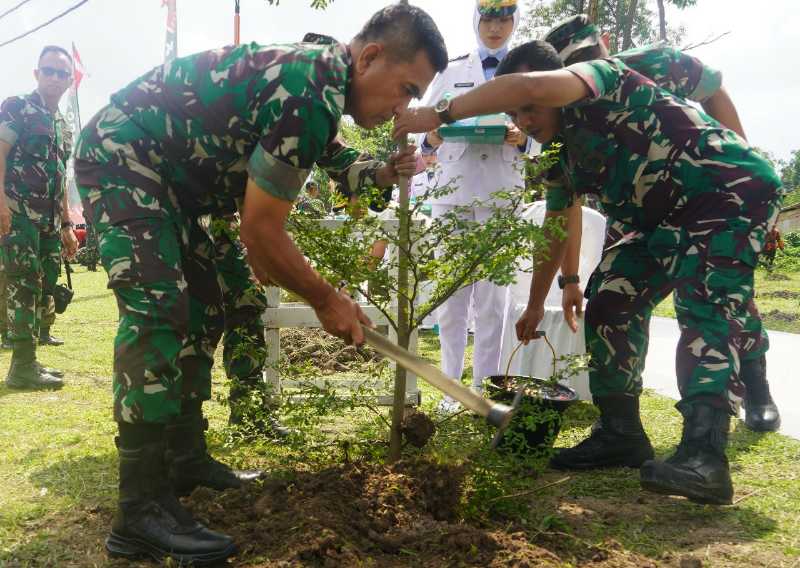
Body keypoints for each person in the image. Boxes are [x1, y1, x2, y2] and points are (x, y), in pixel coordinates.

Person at [74, 4, 446, 564]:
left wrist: (377, 177)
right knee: (158, 310)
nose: (404, 107)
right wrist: (326, 298)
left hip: (176, 186)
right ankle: (139, 510)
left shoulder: (323, 89)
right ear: (369, 57)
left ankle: (184, 459)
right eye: (406, 88)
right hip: (124, 156)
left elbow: (321, 178)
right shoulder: (309, 92)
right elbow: (261, 229)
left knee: (205, 308)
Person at [393, 39, 783, 506]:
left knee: (705, 307)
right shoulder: (558, 153)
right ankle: (621, 432)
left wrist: (441, 114)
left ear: (556, 88)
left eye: (529, 109)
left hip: (725, 195)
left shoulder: (605, 79)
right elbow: (556, 225)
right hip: (657, 220)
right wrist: (542, 300)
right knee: (611, 300)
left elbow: (526, 83)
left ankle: (704, 455)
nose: (523, 121)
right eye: (515, 115)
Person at [544, 15, 781, 433]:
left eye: (586, 56)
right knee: (611, 298)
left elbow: (714, 91)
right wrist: (570, 279)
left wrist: (739, 174)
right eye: (572, 65)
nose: (584, 69)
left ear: (606, 41)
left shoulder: (647, 64)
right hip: (642, 219)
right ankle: (621, 430)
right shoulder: (566, 118)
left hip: (704, 200)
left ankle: (756, 387)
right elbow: (565, 210)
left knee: (718, 292)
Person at [419, 0, 528, 412]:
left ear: (514, 22)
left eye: (504, 19)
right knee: (452, 299)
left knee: (493, 302)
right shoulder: (451, 70)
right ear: (476, 21)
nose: (496, 28)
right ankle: (451, 388)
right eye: (488, 19)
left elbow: (545, 134)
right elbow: (422, 135)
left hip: (501, 196)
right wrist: (433, 137)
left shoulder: (524, 70)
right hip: (454, 195)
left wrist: (525, 139)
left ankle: (484, 390)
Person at [0, 46, 79, 390]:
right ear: (37, 73)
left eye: (62, 73)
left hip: (48, 221)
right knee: (23, 282)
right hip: (18, 213)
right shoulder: (17, 107)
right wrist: (1, 203)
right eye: (48, 70)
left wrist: (66, 225)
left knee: (44, 284)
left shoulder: (62, 123)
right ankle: (21, 365)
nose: (55, 78)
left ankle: (29, 360)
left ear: (70, 79)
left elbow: (60, 175)